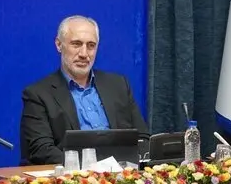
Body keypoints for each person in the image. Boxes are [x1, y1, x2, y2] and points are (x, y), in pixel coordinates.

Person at [20, 15, 148, 165]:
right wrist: (91, 169)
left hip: (123, 175)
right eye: (76, 44)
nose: (84, 54)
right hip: (73, 176)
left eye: (91, 46)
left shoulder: (118, 85)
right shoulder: (38, 94)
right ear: (59, 45)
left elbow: (143, 138)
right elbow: (41, 150)